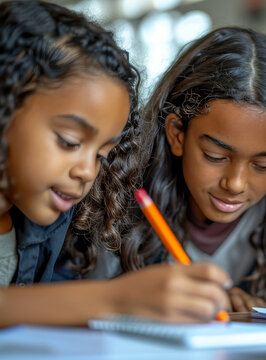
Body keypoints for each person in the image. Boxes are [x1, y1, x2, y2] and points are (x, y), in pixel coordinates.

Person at [0, 0, 230, 327]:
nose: (86, 172)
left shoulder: (50, 224)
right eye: (68, 141)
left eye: (101, 156)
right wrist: (113, 299)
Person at [112, 26, 266, 311]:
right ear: (177, 135)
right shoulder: (117, 208)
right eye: (215, 156)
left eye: (263, 165)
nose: (236, 184)